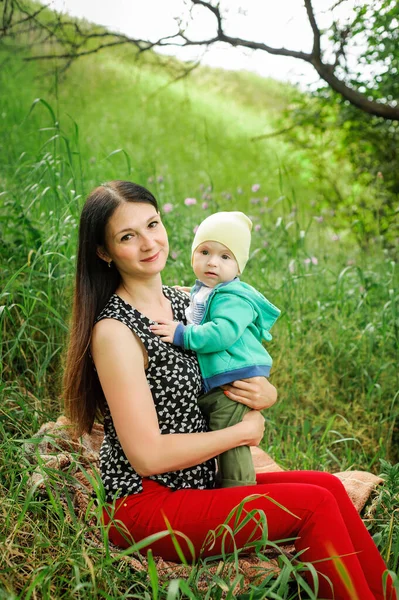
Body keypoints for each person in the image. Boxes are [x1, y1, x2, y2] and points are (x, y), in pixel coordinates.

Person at [63, 180, 396, 600]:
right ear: (104, 252)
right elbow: (146, 456)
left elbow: (240, 364)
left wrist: (266, 393)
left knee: (329, 489)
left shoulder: (190, 302)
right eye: (128, 236)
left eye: (153, 224)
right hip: (147, 505)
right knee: (314, 507)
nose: (149, 243)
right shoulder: (115, 331)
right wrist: (240, 434)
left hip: (200, 483)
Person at [150, 211, 281, 488]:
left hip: (234, 379)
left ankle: (239, 490)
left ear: (238, 267)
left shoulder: (235, 298)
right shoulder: (205, 291)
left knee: (230, 434)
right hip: (224, 376)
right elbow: (200, 304)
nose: (212, 262)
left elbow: (222, 333)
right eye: (205, 251)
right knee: (224, 431)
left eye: (225, 257)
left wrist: (182, 334)